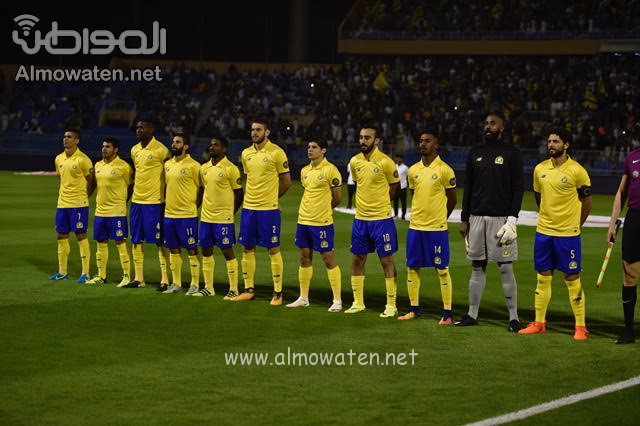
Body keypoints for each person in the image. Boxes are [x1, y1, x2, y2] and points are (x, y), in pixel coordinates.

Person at [519, 127, 593, 340]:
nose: (551, 145)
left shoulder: (577, 171)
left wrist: (575, 225)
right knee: (543, 276)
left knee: (571, 277)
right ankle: (540, 323)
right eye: (549, 141)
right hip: (543, 232)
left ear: (566, 145)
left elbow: (587, 203)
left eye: (556, 141)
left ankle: (580, 327)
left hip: (567, 234)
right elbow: (539, 197)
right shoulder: (539, 169)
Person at [456, 113, 523, 332]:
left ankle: (513, 317)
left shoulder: (511, 153)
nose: (488, 127)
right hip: (476, 218)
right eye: (486, 123)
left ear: (501, 128)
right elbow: (468, 189)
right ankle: (471, 314)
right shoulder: (474, 153)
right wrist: (464, 218)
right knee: (477, 266)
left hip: (500, 219)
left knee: (505, 267)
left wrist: (512, 219)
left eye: (492, 123)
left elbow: (518, 188)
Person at [398, 130, 457, 323]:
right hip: (416, 227)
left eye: (427, 141)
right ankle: (414, 309)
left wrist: (441, 217)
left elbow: (452, 199)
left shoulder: (445, 170)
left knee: (441, 269)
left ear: (436, 144)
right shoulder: (413, 170)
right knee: (412, 267)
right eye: (421, 141)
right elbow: (414, 196)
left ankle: (447, 314)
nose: (423, 144)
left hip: (436, 229)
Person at [232, 117, 292, 305]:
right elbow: (248, 178)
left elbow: (286, 182)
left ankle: (278, 293)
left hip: (268, 210)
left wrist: (273, 199)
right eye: (252, 130)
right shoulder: (245, 154)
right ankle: (248, 290)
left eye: (258, 130)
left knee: (272, 248)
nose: (254, 133)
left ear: (267, 132)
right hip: (249, 208)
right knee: (247, 247)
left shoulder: (277, 152)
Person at [345, 125, 400, 317]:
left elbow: (395, 187)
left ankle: (391, 305)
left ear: (376, 141)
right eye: (360, 137)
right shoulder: (354, 162)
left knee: (386, 261)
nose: (363, 141)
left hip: (381, 220)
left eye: (367, 138)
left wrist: (381, 204)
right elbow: (359, 184)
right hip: (360, 219)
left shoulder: (386, 162)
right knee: (358, 259)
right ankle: (358, 302)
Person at [286, 138, 343, 312]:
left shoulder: (331, 170)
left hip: (322, 223)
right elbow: (307, 193)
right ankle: (303, 298)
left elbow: (338, 197)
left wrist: (324, 210)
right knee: (304, 258)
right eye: (309, 147)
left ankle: (337, 300)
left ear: (323, 150)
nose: (310, 150)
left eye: (314, 147)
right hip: (303, 221)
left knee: (328, 259)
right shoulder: (304, 171)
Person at [124, 118, 171, 289]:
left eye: (142, 127)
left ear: (151, 129)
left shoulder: (162, 150)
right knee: (136, 240)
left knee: (160, 241)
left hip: (155, 202)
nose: (139, 130)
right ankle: (139, 279)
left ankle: (165, 280)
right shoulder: (134, 150)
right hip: (137, 201)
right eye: (137, 127)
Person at [196, 134, 243, 298]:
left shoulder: (230, 168)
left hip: (223, 218)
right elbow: (202, 189)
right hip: (206, 218)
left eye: (216, 145)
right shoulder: (204, 168)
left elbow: (239, 194)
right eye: (211, 144)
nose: (212, 147)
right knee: (206, 251)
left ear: (224, 149)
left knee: (227, 251)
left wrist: (230, 212)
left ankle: (234, 289)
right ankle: (209, 288)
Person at [47, 127, 95, 283]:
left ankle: (85, 273)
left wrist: (84, 195)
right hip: (62, 204)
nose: (65, 139)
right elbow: (61, 180)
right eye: (64, 136)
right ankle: (62, 272)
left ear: (76, 140)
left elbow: (92, 181)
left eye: (69, 137)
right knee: (61, 235)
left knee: (80, 235)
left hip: (78, 204)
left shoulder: (83, 159)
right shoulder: (58, 159)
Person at [85, 137, 134, 287]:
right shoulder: (98, 165)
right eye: (103, 146)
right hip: (100, 212)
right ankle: (101, 275)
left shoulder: (124, 167)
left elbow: (131, 186)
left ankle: (126, 276)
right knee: (101, 243)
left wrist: (122, 201)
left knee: (120, 242)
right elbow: (94, 184)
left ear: (116, 149)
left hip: (117, 212)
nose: (104, 149)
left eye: (108, 147)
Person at [160, 132, 203, 295]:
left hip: (187, 215)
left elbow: (203, 188)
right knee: (173, 249)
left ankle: (194, 284)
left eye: (178, 142)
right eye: (173, 142)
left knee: (191, 249)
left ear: (186, 146)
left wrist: (195, 205)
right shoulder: (167, 164)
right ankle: (176, 283)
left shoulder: (194, 165)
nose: (174, 145)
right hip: (169, 214)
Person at [607, 145, 640, 344]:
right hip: (635, 218)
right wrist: (612, 223)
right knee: (629, 273)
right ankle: (628, 331)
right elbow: (621, 192)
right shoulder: (632, 157)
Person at [393, 155, 409, 220]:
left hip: (403, 186)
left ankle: (403, 216)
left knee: (403, 202)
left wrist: (407, 184)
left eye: (399, 158)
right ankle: (396, 215)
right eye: (397, 158)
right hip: (396, 187)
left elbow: (408, 177)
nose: (398, 160)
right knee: (395, 202)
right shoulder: (394, 166)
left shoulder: (405, 167)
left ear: (402, 160)